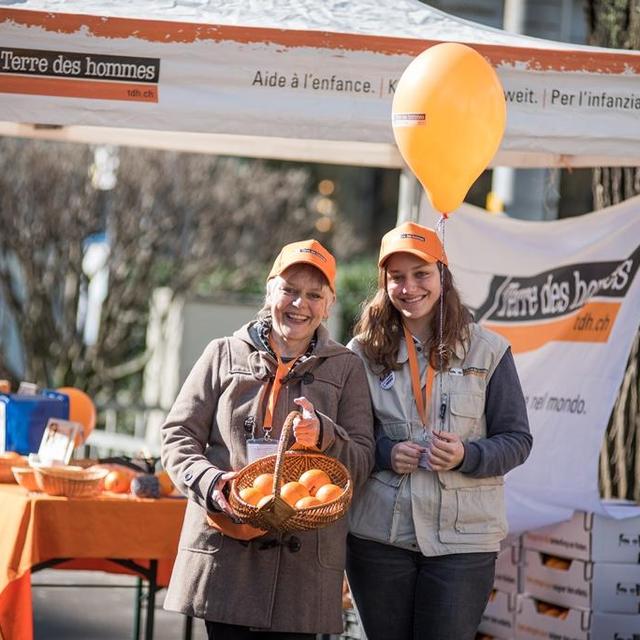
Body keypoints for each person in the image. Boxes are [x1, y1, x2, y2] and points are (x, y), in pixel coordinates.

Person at [160, 239, 374, 640]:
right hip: (227, 552)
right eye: (289, 290)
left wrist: (325, 435)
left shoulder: (347, 369)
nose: (299, 304)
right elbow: (177, 436)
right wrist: (210, 482)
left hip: (303, 568)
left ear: (328, 305)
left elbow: (363, 459)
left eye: (314, 295)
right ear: (269, 291)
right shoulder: (222, 354)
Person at [346, 221, 532, 640]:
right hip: (380, 538)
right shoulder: (361, 353)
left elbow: (517, 440)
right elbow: (347, 438)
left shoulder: (489, 350)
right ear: (384, 284)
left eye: (421, 274)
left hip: (463, 546)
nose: (409, 287)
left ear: (442, 276)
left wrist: (468, 456)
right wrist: (385, 453)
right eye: (397, 278)